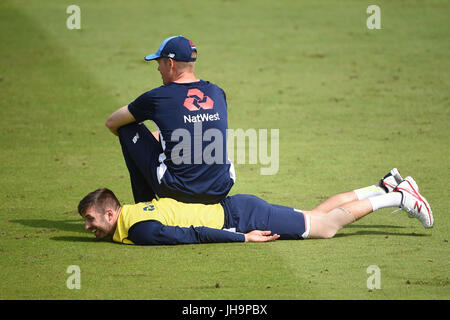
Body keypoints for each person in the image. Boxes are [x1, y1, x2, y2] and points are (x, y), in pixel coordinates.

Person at [77, 168, 433, 245]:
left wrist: (244, 239)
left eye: (91, 220)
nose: (88, 227)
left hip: (243, 217)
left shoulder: (140, 230)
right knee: (315, 214)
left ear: (111, 213)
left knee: (325, 227)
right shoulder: (135, 211)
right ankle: (385, 184)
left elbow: (195, 234)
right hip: (239, 207)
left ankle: (399, 197)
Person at [105, 35, 235, 204]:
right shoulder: (217, 92)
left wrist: (143, 146)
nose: (158, 68)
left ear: (170, 63)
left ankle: (145, 208)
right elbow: (192, 128)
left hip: (179, 190)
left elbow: (112, 122)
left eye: (159, 62)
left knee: (127, 128)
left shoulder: (157, 97)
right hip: (220, 188)